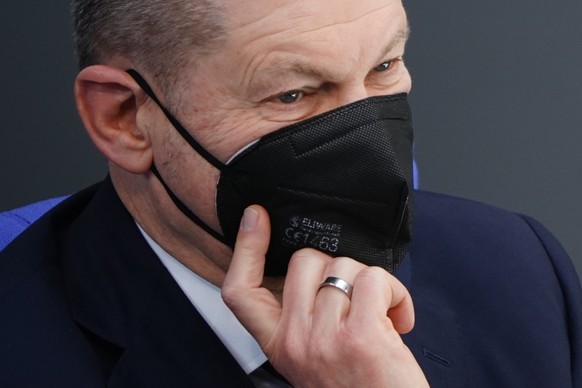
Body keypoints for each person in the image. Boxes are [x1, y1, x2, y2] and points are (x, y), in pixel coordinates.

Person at [1, 0, 580, 386]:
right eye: (293, 95)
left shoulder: (518, 267)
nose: (373, 154)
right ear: (124, 118)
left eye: (384, 66)